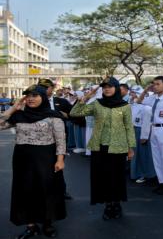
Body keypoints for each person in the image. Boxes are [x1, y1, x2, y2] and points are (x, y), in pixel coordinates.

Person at [0, 85, 66, 238]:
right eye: (28, 95)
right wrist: (13, 109)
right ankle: (31, 225)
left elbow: (61, 139)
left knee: (46, 190)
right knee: (25, 191)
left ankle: (47, 223)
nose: (30, 98)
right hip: (22, 158)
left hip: (46, 157)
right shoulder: (19, 115)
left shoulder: (53, 116)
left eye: (35, 95)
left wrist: (60, 159)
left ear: (43, 97)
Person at [70, 77, 135, 220]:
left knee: (116, 177)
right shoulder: (97, 104)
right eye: (104, 87)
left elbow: (129, 127)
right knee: (103, 177)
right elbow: (75, 113)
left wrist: (131, 147)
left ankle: (116, 204)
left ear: (116, 88)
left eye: (110, 86)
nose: (107, 89)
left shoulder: (125, 106)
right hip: (99, 147)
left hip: (118, 147)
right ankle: (107, 205)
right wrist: (86, 97)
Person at [139, 76, 163, 195]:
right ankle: (161, 182)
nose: (155, 86)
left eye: (158, 84)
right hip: (154, 129)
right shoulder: (153, 98)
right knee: (157, 158)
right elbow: (139, 101)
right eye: (154, 84)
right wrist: (145, 90)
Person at [38, 78, 74, 201]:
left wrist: (66, 115)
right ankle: (43, 192)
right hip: (40, 141)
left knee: (58, 166)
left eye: (45, 87)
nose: (43, 90)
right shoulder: (33, 102)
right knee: (41, 167)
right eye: (40, 87)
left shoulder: (61, 101)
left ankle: (61, 191)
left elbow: (74, 114)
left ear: (52, 89)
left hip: (59, 139)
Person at [129, 87, 156, 183]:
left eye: (133, 93)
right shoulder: (134, 104)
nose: (131, 94)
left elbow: (146, 123)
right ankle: (136, 173)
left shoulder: (146, 107)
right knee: (136, 154)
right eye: (131, 92)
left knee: (143, 154)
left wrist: (144, 136)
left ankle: (145, 174)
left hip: (141, 131)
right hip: (134, 130)